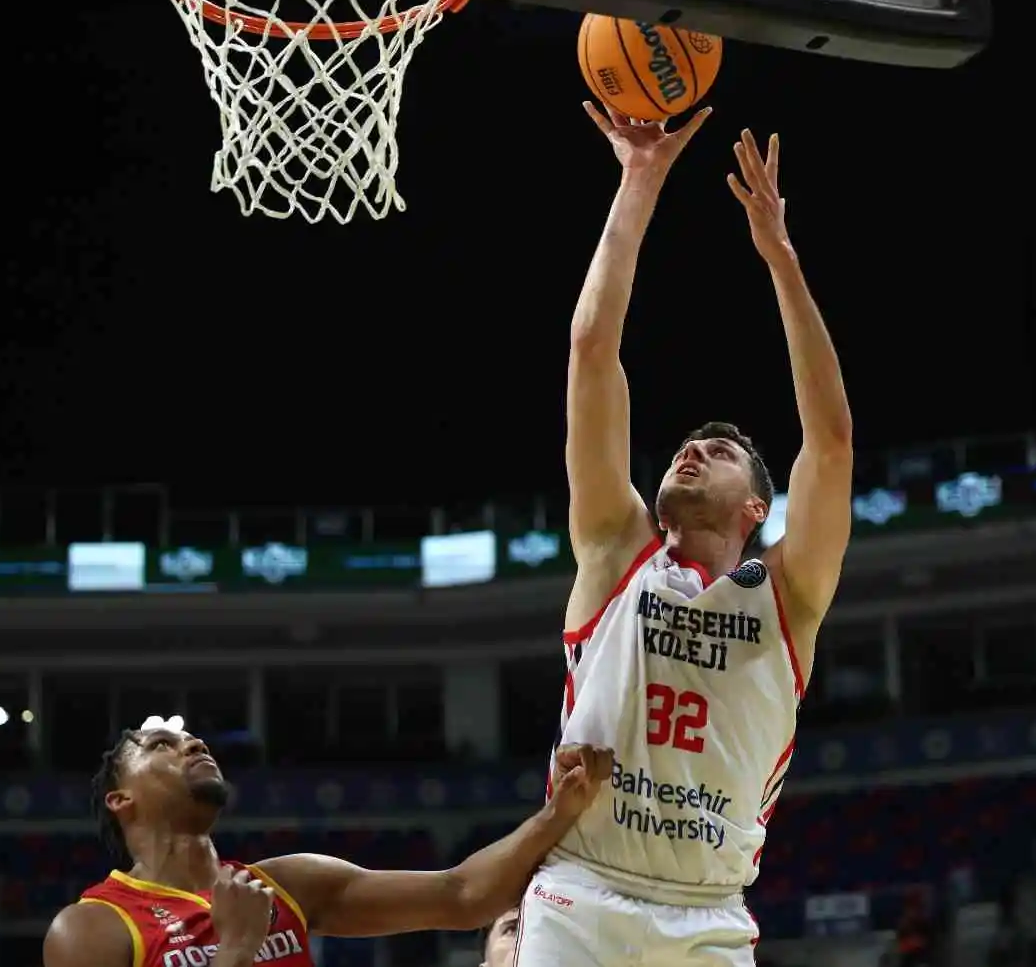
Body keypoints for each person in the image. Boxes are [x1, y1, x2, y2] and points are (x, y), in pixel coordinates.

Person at [512, 103, 854, 965]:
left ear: (756, 512)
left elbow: (834, 443)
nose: (694, 448)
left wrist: (781, 258)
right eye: (689, 446)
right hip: (580, 890)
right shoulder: (615, 549)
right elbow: (592, 351)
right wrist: (638, 180)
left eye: (724, 452)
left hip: (707, 916)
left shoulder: (791, 593)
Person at [43, 720, 613, 967]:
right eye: (161, 745)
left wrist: (560, 810)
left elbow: (462, 895)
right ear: (121, 800)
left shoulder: (288, 885)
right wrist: (237, 950)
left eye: (191, 738)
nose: (192, 743)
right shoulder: (91, 928)